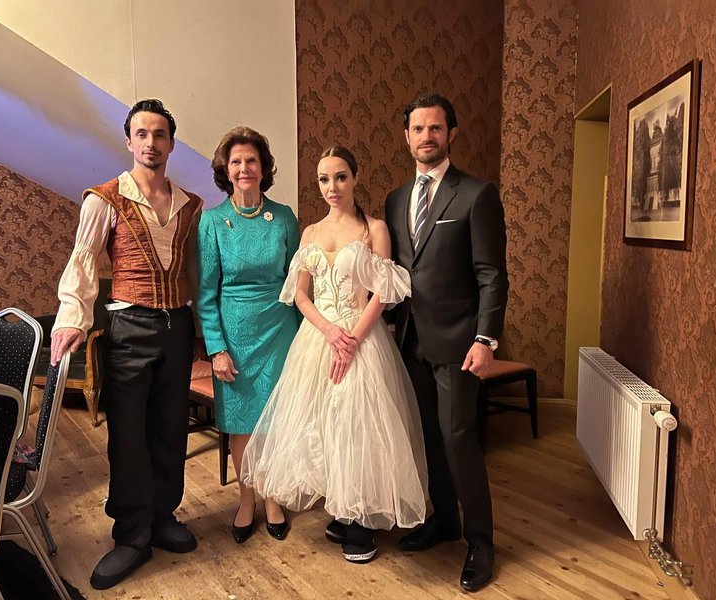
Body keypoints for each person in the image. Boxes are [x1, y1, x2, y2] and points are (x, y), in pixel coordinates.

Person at [241, 146, 428, 564]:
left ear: (355, 178)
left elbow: (383, 293)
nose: (332, 187)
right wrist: (328, 332)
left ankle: (361, 520)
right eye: (324, 179)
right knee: (323, 424)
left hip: (362, 338)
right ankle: (342, 509)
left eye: (340, 177)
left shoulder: (374, 229)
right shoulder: (309, 232)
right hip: (318, 339)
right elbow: (300, 295)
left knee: (358, 426)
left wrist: (353, 339)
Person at [50, 99, 203, 590]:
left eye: (160, 134)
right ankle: (132, 534)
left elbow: (195, 270)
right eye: (142, 134)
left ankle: (163, 516)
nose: (151, 143)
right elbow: (83, 260)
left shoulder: (191, 204)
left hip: (178, 326)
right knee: (129, 434)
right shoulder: (105, 198)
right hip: (128, 327)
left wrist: (208, 329)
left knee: (171, 427)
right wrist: (72, 320)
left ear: (171, 143)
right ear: (129, 141)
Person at [384, 93, 508, 592]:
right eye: (418, 129)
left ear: (451, 134)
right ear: (406, 137)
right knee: (428, 438)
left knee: (459, 439)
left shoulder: (477, 194)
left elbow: (492, 274)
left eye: (435, 128)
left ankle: (481, 542)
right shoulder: (395, 199)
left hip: (460, 343)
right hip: (409, 339)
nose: (426, 137)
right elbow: (396, 271)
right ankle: (443, 521)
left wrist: (485, 338)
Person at [196, 126, 299, 544]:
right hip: (235, 336)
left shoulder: (285, 217)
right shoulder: (212, 222)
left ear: (263, 167)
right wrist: (216, 349)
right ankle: (245, 500)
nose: (244, 168)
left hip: (279, 330)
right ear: (226, 170)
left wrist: (309, 340)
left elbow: (299, 283)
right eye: (236, 161)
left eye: (251, 160)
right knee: (241, 424)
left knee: (274, 420)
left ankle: (272, 498)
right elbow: (206, 294)